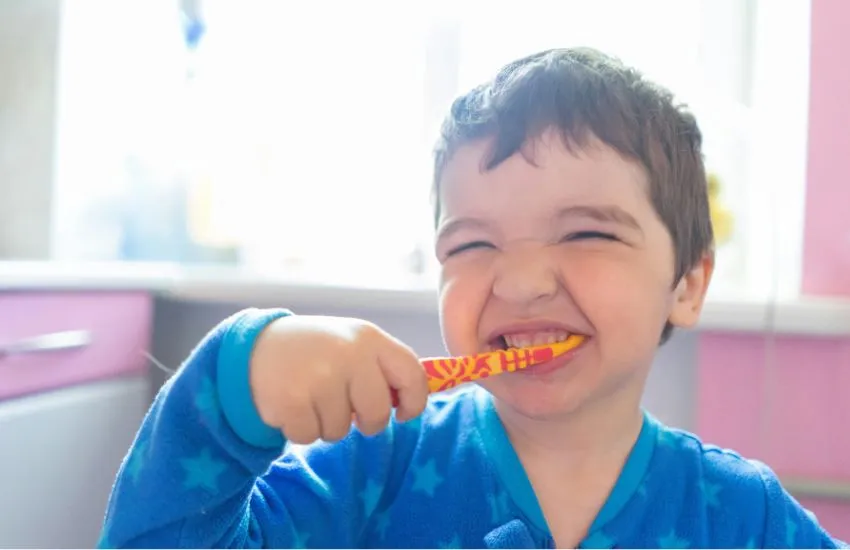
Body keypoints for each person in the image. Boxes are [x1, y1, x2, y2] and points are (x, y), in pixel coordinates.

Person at [99, 48, 846, 548]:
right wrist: (234, 389)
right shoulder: (369, 472)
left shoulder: (745, 518)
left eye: (587, 233)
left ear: (688, 283)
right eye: (472, 245)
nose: (519, 282)